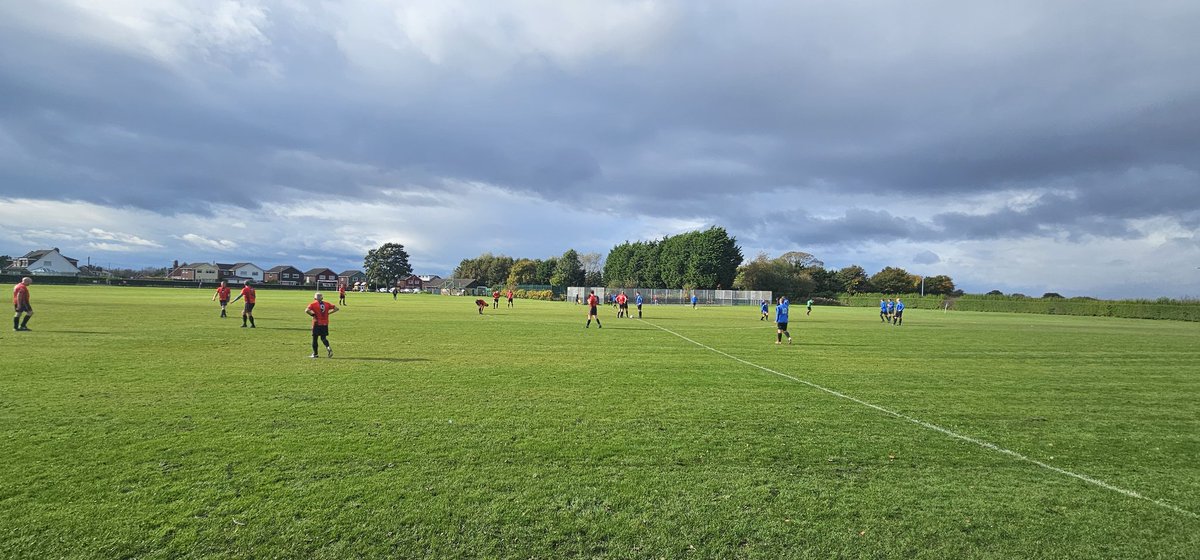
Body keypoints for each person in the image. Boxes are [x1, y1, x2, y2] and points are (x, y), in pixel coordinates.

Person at [305, 292, 338, 358]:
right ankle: (328, 347)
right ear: (322, 298)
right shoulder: (327, 304)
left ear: (314, 298)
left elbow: (306, 310)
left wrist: (313, 315)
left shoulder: (313, 304)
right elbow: (336, 308)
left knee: (315, 339)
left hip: (317, 323)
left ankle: (315, 354)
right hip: (325, 323)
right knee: (323, 338)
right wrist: (329, 313)